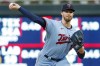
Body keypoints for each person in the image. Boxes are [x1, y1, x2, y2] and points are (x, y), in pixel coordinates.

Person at [9, 3, 85, 66]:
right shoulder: (53, 24)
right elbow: (36, 19)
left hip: (61, 61)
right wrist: (19, 8)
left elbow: (81, 55)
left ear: (73, 14)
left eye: (70, 12)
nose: (69, 13)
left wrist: (80, 46)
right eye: (66, 11)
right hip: (45, 60)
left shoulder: (74, 32)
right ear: (61, 13)